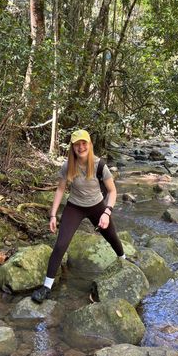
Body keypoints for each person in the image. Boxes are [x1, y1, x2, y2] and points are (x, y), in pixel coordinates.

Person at [31, 129, 128, 303]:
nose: (81, 147)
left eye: (84, 143)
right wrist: (53, 215)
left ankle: (124, 261)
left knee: (112, 237)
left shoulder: (100, 165)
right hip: (74, 207)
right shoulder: (68, 165)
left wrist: (107, 212)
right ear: (73, 147)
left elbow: (113, 192)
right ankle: (46, 287)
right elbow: (60, 189)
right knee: (60, 245)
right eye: (77, 144)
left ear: (89, 145)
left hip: (97, 206)